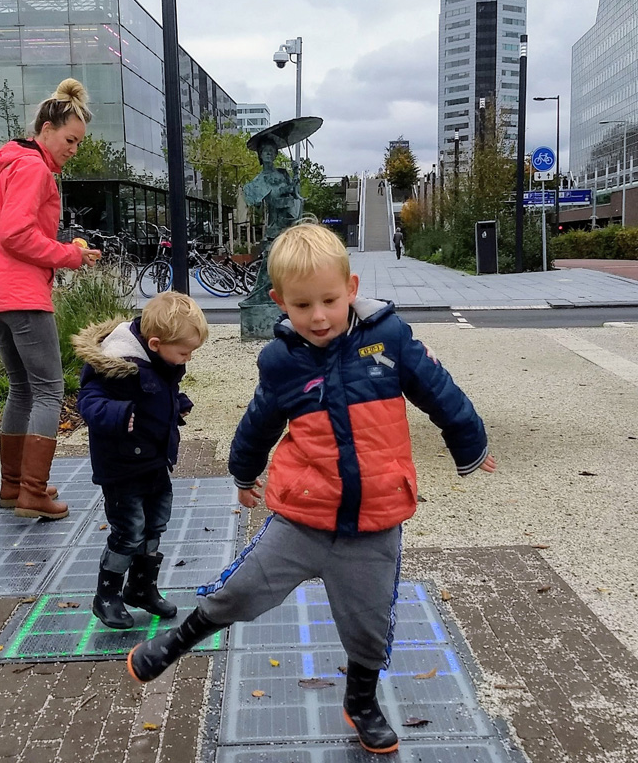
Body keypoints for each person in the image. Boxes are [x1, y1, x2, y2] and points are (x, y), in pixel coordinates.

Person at [126, 223, 496, 755]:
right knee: (243, 589)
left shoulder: (389, 339)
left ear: (351, 287)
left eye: (329, 299)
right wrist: (243, 470)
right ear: (280, 302)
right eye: (302, 305)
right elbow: (260, 421)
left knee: (368, 625)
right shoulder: (282, 361)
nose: (318, 316)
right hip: (303, 514)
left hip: (374, 520)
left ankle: (362, 702)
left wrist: (470, 443)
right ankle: (174, 643)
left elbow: (439, 389)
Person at [0, 77, 102, 520]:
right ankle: (32, 492)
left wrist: (65, 251)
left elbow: (2, 233)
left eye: (78, 142)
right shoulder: (33, 168)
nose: (73, 148)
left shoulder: (8, 167)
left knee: (22, 390)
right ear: (46, 129)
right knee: (49, 391)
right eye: (70, 139)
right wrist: (70, 255)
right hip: (24, 294)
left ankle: (13, 487)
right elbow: (17, 235)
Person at [73, 292, 208, 629]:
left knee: (155, 525)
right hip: (121, 467)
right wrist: (119, 415)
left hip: (154, 461)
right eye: (184, 352)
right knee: (128, 531)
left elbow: (160, 394)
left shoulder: (162, 360)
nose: (187, 358)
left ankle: (141, 587)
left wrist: (177, 403)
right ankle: (107, 594)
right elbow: (88, 401)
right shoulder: (115, 364)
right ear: (155, 342)